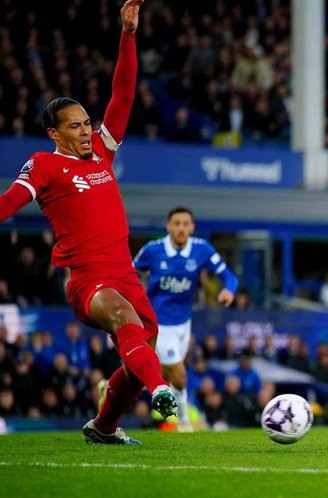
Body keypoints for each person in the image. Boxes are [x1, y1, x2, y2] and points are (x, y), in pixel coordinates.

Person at [0, 0, 176, 445]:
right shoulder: (43, 165)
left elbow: (124, 95)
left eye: (86, 123)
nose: (84, 132)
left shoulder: (101, 151)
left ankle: (103, 427)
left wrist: (128, 35)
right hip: (89, 281)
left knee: (143, 351)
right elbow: (10, 201)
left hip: (125, 272)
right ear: (54, 133)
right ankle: (161, 390)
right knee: (122, 319)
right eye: (74, 127)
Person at [133, 206, 238, 431]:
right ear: (168, 226)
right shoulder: (153, 250)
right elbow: (129, 271)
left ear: (192, 227)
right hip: (158, 323)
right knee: (179, 375)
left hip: (183, 323)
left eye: (185, 224)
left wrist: (228, 290)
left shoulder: (201, 249)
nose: (181, 228)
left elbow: (228, 275)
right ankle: (183, 421)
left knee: (167, 375)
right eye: (176, 224)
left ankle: (119, 388)